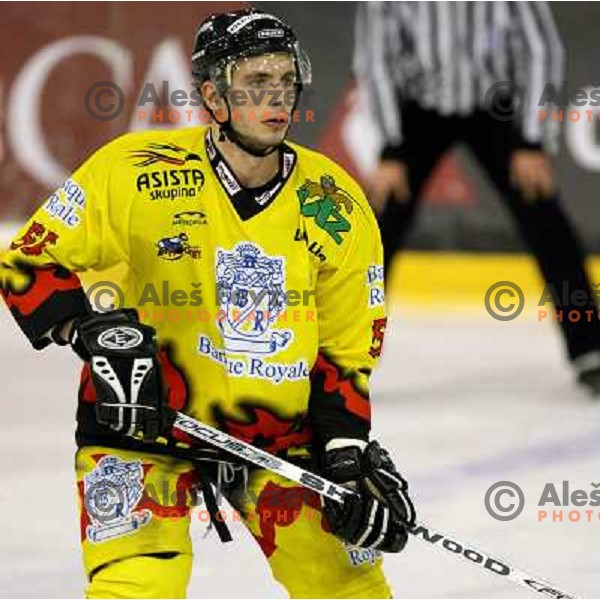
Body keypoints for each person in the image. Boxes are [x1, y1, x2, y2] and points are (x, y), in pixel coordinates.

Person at [1, 9, 415, 599]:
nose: (276, 98)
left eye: (284, 79)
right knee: (137, 587)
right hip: (140, 429)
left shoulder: (335, 202)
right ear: (213, 95)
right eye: (255, 82)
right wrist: (87, 330)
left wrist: (346, 453)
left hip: (275, 440)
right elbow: (25, 260)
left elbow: (348, 349)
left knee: (350, 589)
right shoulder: (132, 171)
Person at [355, 1, 600, 393]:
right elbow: (376, 60)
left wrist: (530, 139)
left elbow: (541, 49)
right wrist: (391, 148)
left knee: (545, 220)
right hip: (417, 111)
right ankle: (346, 358)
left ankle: (591, 349)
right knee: (374, 235)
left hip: (497, 109)